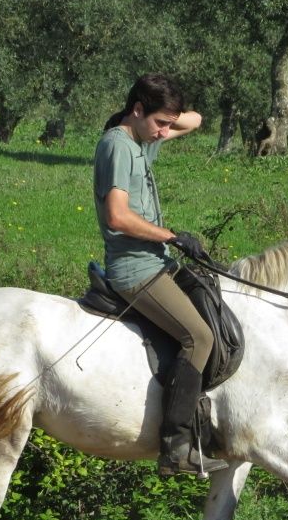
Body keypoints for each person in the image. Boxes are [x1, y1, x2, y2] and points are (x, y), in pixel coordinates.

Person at [93, 74, 228, 476]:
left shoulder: (142, 138)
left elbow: (196, 121)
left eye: (168, 124)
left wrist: (163, 114)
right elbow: (117, 217)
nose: (167, 132)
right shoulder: (117, 146)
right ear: (137, 111)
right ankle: (176, 448)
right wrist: (172, 236)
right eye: (160, 123)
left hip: (158, 261)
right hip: (134, 268)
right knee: (198, 337)